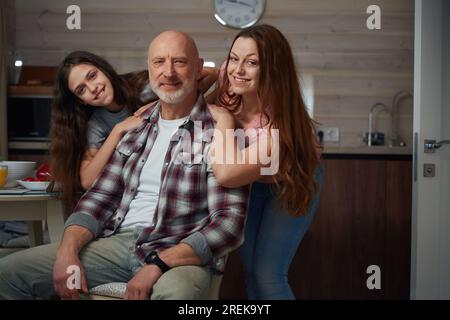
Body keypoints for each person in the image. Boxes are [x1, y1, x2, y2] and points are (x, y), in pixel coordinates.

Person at [0, 30, 248, 300]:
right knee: (7, 274)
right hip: (117, 244)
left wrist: (159, 263)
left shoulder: (219, 129)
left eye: (179, 61)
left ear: (198, 68)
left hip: (180, 251)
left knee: (177, 293)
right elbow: (98, 197)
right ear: (149, 68)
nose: (169, 72)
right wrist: (67, 250)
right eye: (159, 62)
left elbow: (228, 222)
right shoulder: (133, 128)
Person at [208, 24, 324, 300]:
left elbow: (226, 174)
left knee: (269, 275)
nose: (238, 69)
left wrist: (223, 119)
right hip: (251, 180)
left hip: (290, 180)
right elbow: (207, 77)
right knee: (251, 272)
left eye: (252, 63)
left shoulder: (278, 129)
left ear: (272, 70)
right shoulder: (230, 78)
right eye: (234, 58)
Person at [49, 51, 218, 209]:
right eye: (82, 89)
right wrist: (118, 130)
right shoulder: (97, 124)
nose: (93, 88)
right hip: (140, 188)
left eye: (92, 76)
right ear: (81, 101)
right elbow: (87, 180)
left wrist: (164, 103)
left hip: (180, 164)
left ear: (104, 70)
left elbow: (211, 73)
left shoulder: (144, 85)